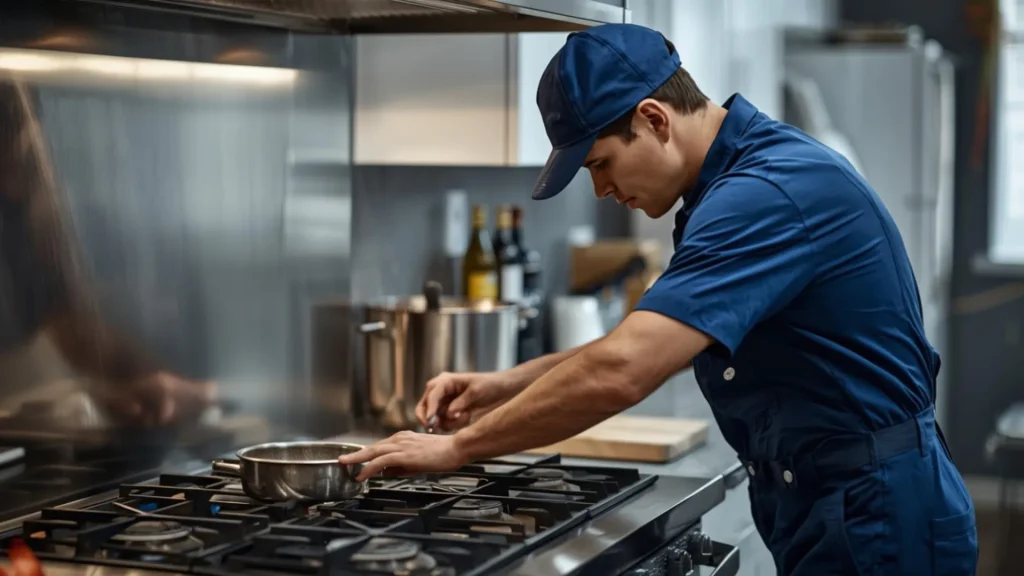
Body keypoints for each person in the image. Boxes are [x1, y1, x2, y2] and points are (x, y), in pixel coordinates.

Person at [339, 23, 978, 575]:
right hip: (840, 500)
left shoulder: (762, 196)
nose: (601, 190)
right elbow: (643, 341)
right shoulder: (732, 184)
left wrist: (456, 449)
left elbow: (624, 369)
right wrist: (503, 386)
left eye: (599, 164)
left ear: (654, 119)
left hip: (875, 514)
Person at [0, 77, 215, 426]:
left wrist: (169, 385)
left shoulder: (37, 219)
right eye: (22, 160)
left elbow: (75, 328)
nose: (38, 176)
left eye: (30, 162)